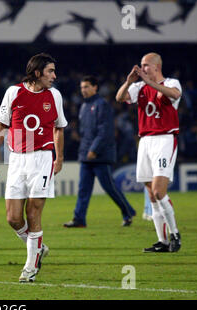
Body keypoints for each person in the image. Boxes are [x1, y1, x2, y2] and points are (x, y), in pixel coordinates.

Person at [0, 53, 67, 283]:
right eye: (50, 71)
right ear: (37, 73)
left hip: (42, 159)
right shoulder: (14, 92)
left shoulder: (54, 95)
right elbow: (1, 127)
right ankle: (38, 248)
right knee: (13, 218)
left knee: (33, 214)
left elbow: (59, 128)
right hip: (17, 159)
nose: (54, 75)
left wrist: (59, 157)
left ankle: (30, 267)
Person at [116, 52, 182, 253]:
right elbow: (119, 98)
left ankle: (175, 234)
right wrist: (128, 82)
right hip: (145, 141)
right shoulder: (139, 87)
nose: (142, 68)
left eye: (145, 65)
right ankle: (162, 241)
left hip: (164, 139)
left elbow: (174, 95)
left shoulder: (172, 82)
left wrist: (147, 81)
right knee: (150, 195)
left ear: (156, 67)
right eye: (142, 65)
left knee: (158, 191)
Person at [63, 76, 136, 228]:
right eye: (82, 87)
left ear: (95, 87)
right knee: (83, 189)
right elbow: (85, 132)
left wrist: (94, 149)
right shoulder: (84, 107)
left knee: (110, 188)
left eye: (87, 87)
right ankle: (79, 219)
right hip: (86, 155)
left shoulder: (102, 105)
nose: (84, 90)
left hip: (100, 156)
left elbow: (105, 131)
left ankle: (127, 211)